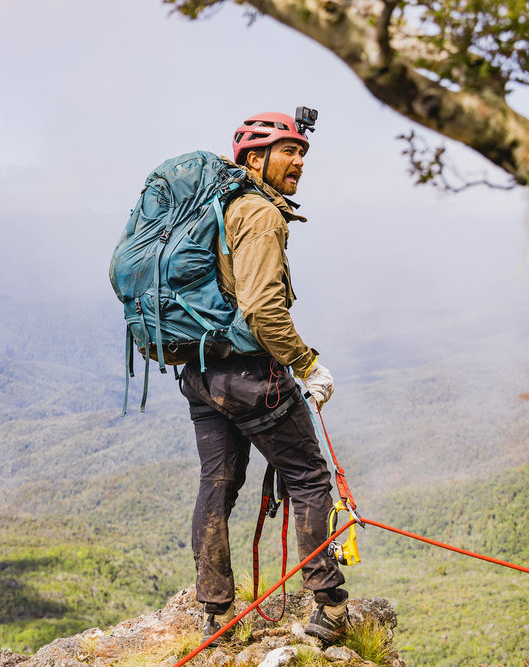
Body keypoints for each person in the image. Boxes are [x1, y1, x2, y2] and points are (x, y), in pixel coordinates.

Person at [178, 111, 348, 647]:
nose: (299, 162)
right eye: (287, 152)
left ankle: (214, 612)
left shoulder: (221, 208)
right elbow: (262, 310)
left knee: (218, 483)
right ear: (255, 159)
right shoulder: (260, 214)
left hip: (204, 373)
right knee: (308, 478)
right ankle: (329, 605)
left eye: (302, 153)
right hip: (254, 377)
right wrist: (308, 363)